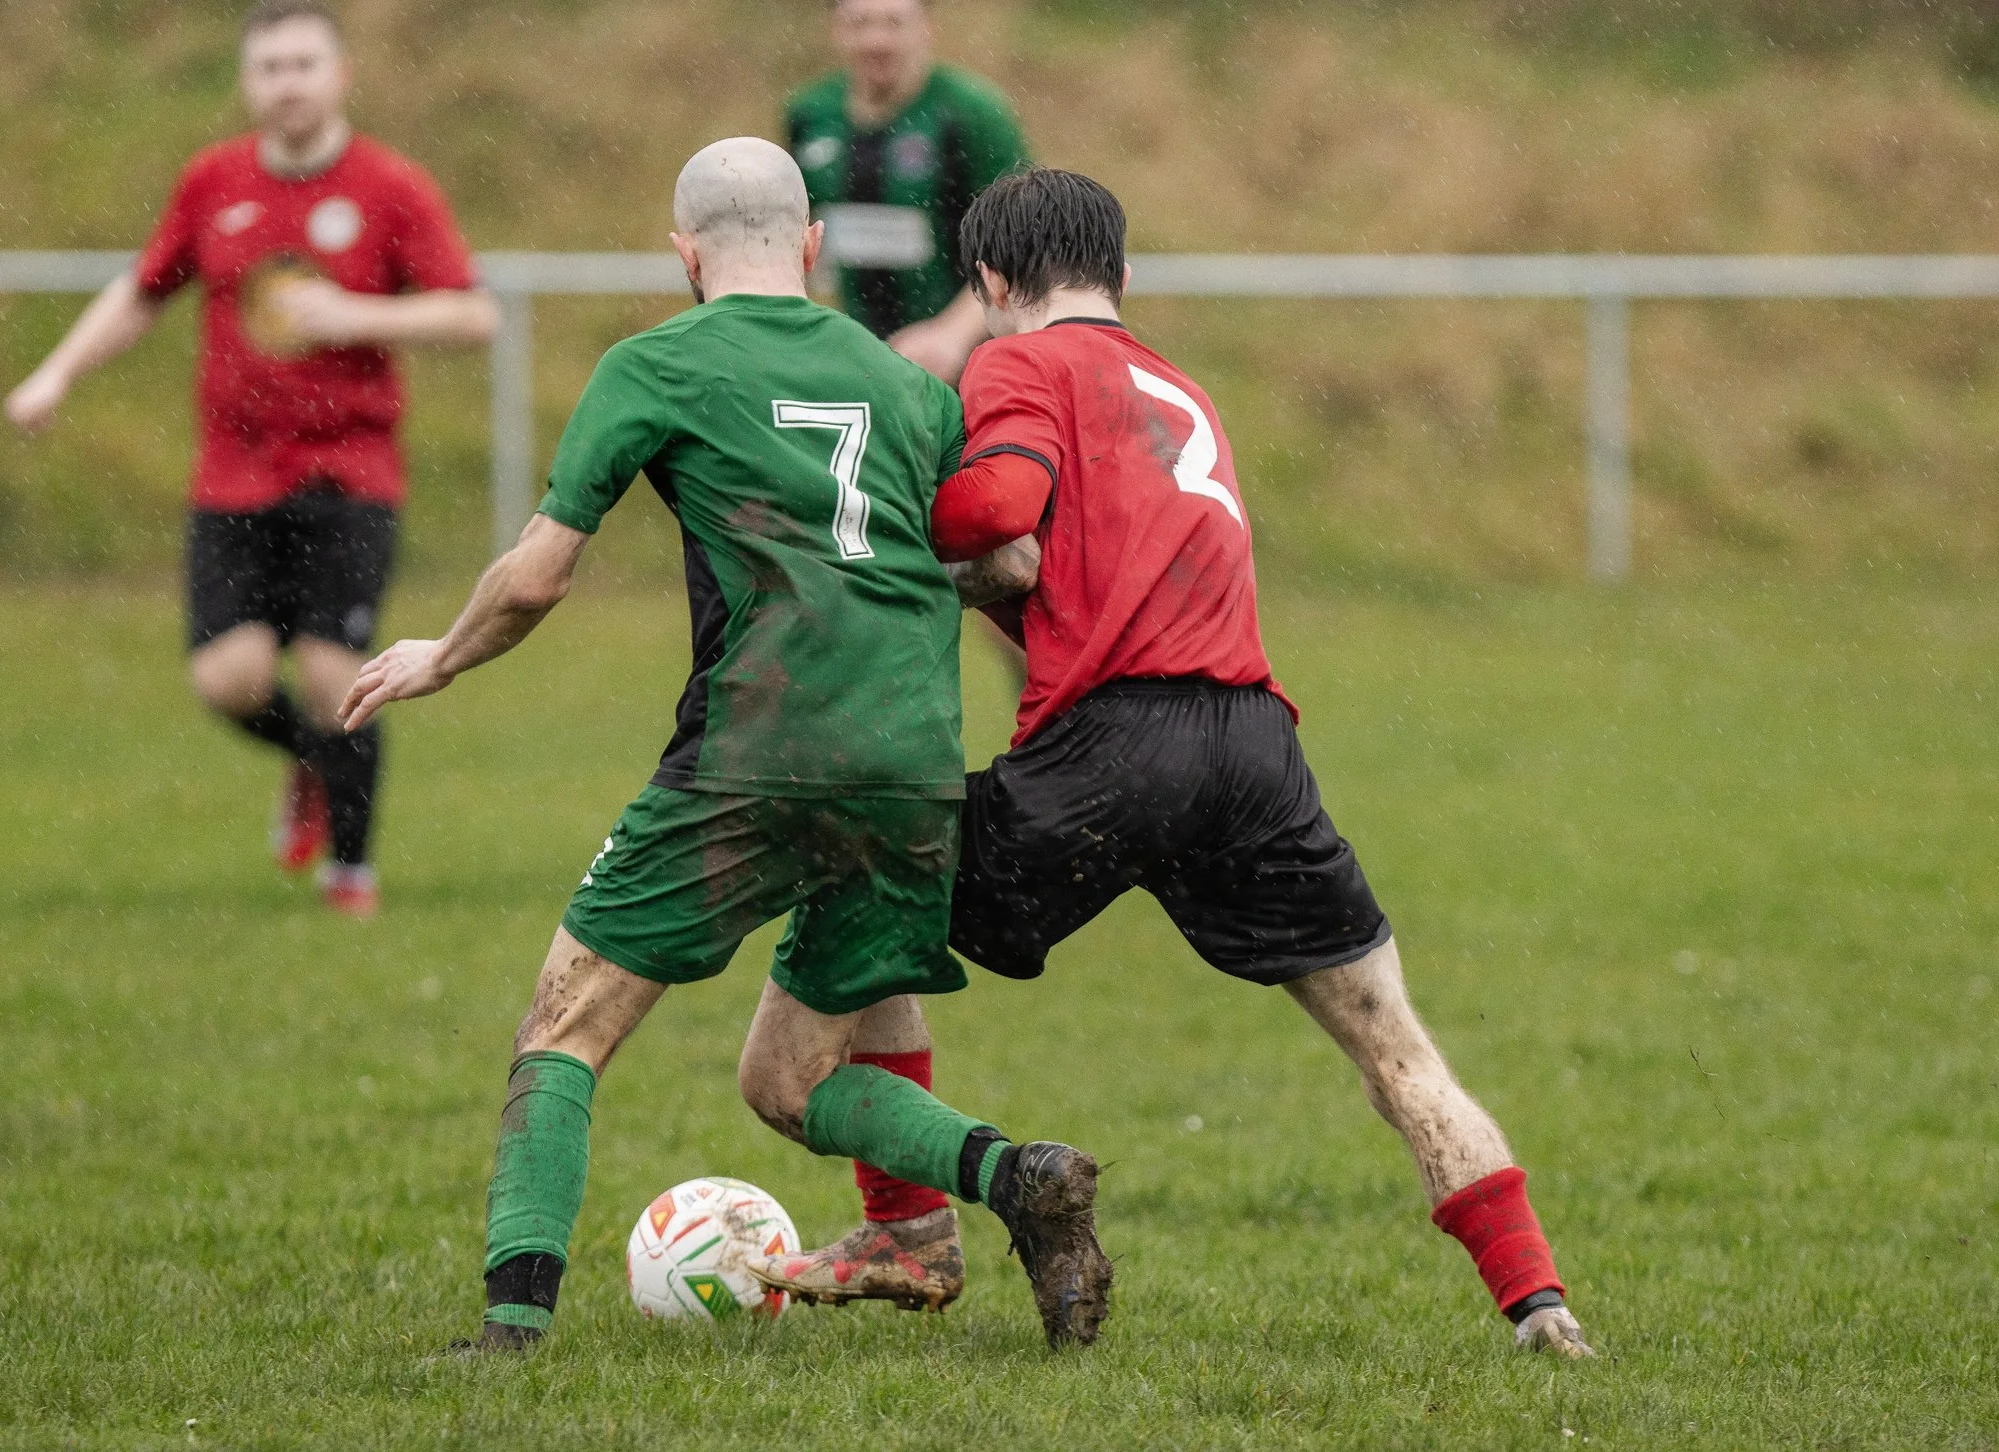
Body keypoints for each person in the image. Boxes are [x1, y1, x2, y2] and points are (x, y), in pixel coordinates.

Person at [751, 169, 1598, 1360]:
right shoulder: (1178, 384)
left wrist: (886, 514)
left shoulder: (1015, 362)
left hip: (1113, 750)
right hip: (1254, 745)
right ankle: (1538, 1304)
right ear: (1123, 277)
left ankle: (908, 1227)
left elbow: (999, 508)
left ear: (991, 283)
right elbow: (1073, 580)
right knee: (1393, 1049)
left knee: (861, 878)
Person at [336, 138, 1110, 1355]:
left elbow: (537, 577)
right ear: (811, 249)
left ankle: (509, 1329)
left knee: (567, 1021)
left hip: (756, 749)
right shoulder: (908, 382)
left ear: (684, 253)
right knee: (786, 1081)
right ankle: (1020, 1175)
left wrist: (441, 654)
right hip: (910, 756)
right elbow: (1002, 561)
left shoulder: (657, 361)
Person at [4, 0, 497, 918]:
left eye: (305, 63)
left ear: (341, 74)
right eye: (271, 66)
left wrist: (360, 317)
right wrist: (56, 372)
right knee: (226, 680)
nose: (289, 81)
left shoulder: (391, 187)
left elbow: (473, 314)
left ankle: (351, 874)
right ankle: (312, 764)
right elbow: (144, 291)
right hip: (233, 475)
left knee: (327, 673)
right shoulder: (213, 181)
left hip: (349, 473)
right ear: (248, 82)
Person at [785, 0, 1028, 385]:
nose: (876, 39)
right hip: (857, 359)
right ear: (836, 28)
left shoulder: (972, 113)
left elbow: (1024, 243)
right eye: (860, 23)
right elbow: (789, 237)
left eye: (894, 23)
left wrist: (952, 335)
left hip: (971, 363)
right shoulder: (810, 114)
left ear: (926, 26)